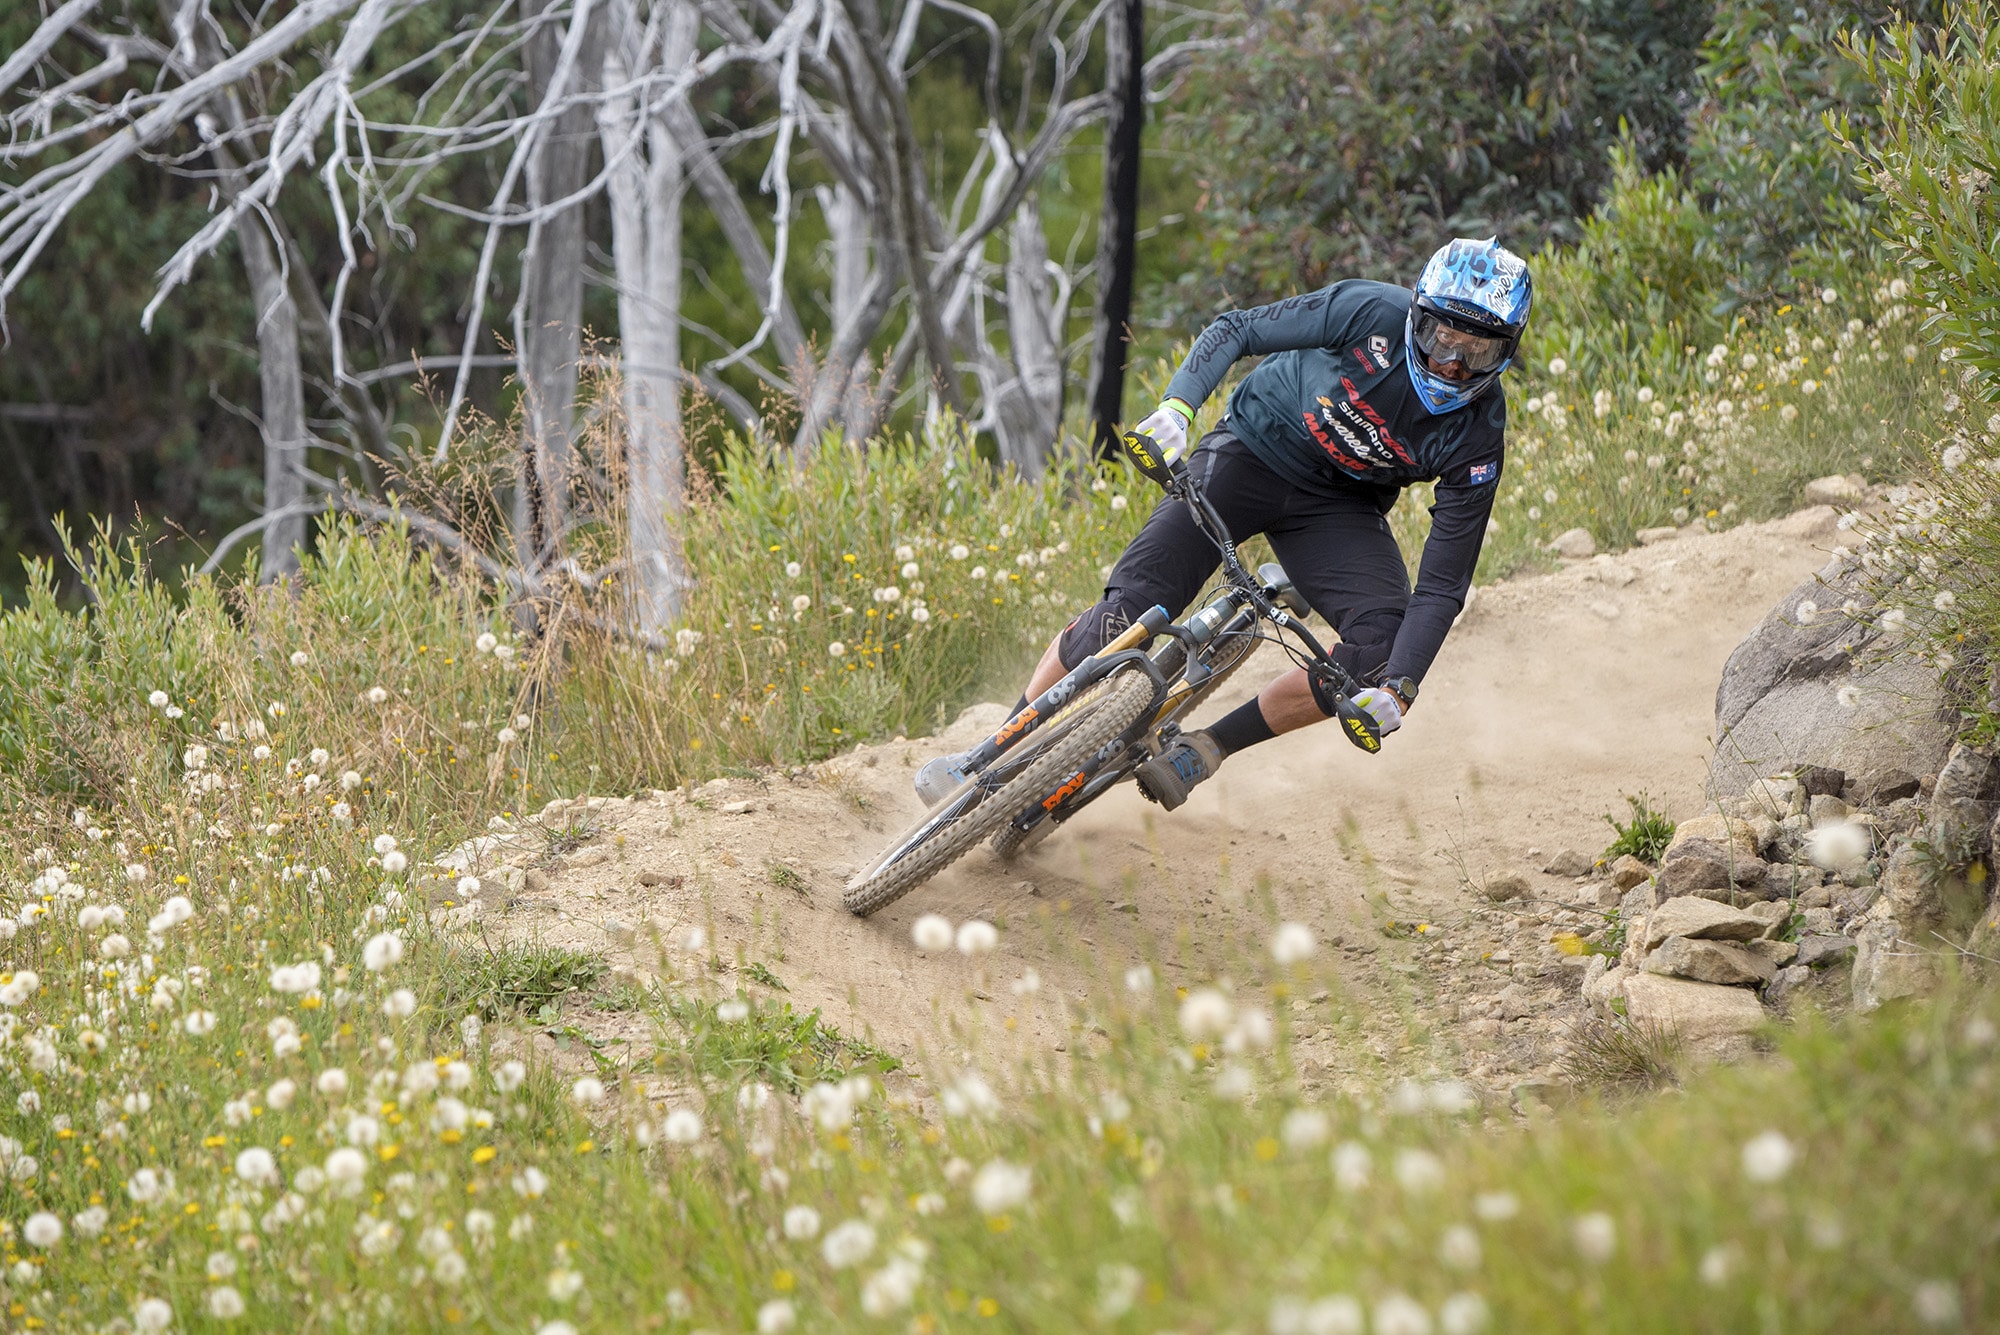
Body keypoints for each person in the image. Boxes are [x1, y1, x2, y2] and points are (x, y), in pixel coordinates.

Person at [916, 236, 1532, 810]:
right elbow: (1236, 329)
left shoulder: (1479, 436)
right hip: (1251, 452)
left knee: (1377, 654)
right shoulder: (1367, 310)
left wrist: (1398, 689)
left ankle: (1207, 748)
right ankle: (987, 755)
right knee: (1125, 613)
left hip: (1337, 511)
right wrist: (1177, 409)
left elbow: (1443, 587)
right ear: (1415, 316)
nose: (1452, 364)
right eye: (1440, 338)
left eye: (1479, 352)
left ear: (1506, 352)